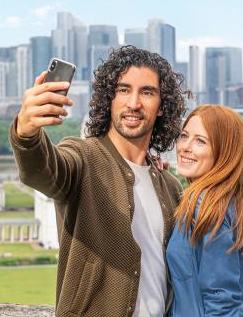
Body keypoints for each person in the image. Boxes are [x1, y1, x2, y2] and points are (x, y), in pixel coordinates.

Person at [9, 46, 186, 316]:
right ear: (109, 99)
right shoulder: (83, 158)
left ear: (162, 106)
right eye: (123, 90)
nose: (134, 103)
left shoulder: (170, 186)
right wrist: (26, 132)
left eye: (147, 92)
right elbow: (42, 171)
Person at [166, 104, 243, 317]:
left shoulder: (206, 206)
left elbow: (221, 302)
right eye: (184, 136)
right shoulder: (226, 201)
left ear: (225, 152)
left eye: (200, 141)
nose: (185, 147)